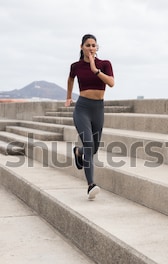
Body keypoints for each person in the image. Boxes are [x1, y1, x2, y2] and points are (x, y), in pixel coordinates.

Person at [65, 34, 115, 200]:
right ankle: (90, 185)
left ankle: (78, 152)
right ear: (82, 47)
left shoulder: (105, 64)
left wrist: (95, 70)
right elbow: (70, 79)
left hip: (98, 109)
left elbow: (111, 83)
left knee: (91, 149)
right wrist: (68, 97)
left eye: (94, 45)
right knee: (88, 144)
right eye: (88, 45)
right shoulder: (76, 66)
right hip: (82, 108)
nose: (91, 48)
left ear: (97, 48)